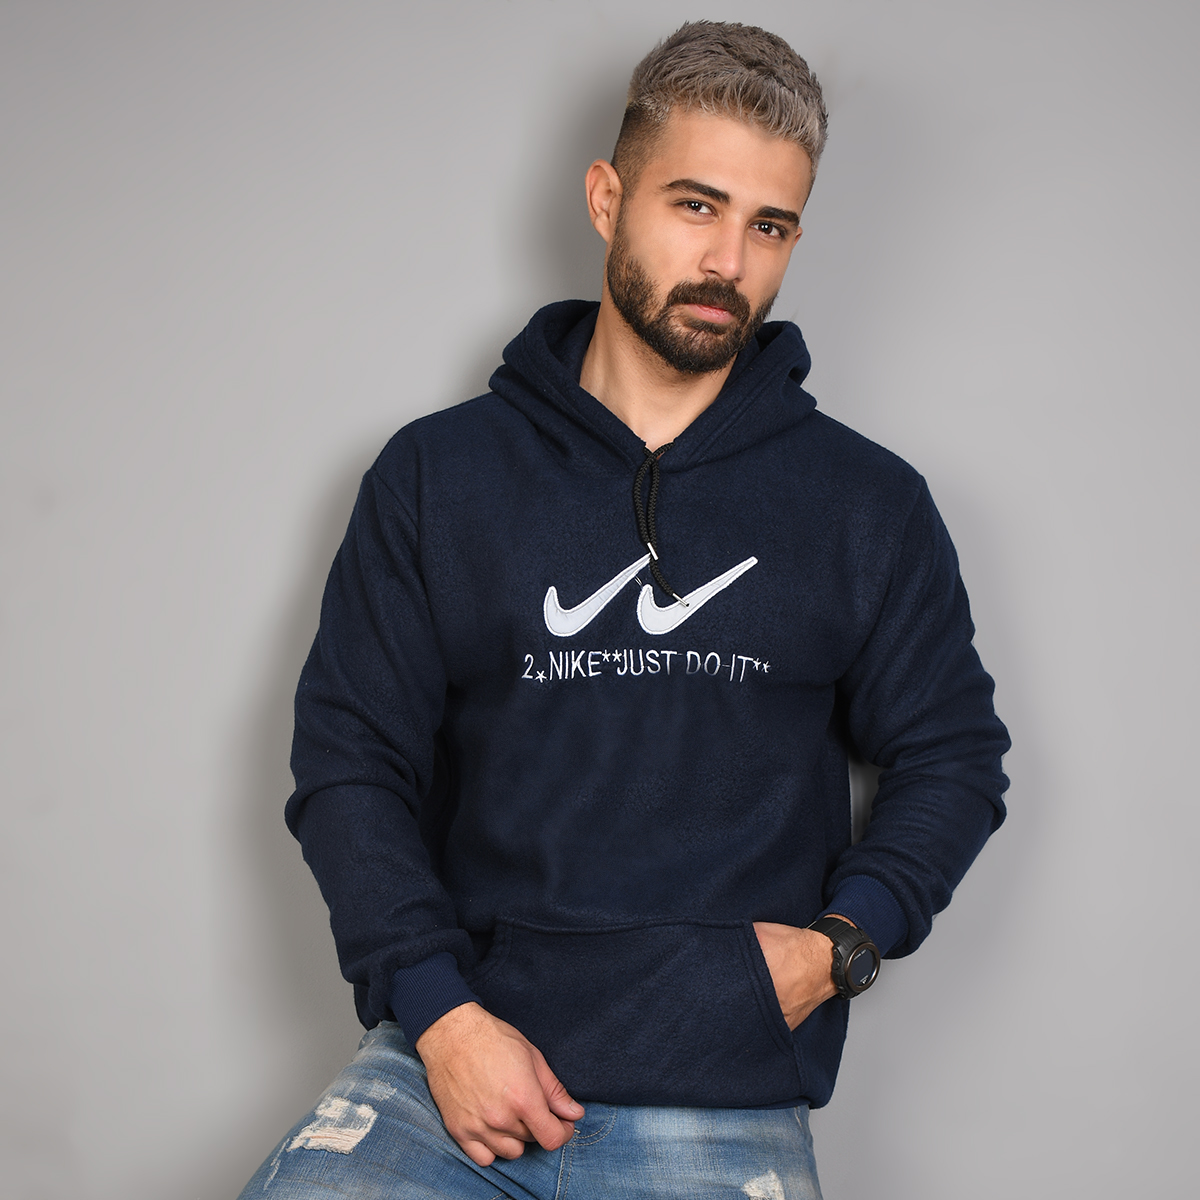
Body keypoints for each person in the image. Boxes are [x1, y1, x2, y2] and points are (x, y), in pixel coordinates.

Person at [239, 21, 1009, 1200]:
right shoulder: (440, 478)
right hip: (455, 1070)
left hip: (722, 1093)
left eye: (770, 226)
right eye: (696, 206)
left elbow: (954, 756)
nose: (728, 262)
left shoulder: (866, 504)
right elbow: (350, 761)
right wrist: (441, 1017)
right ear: (607, 199)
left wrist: (838, 950)